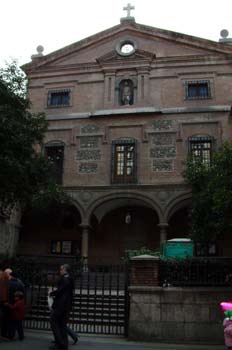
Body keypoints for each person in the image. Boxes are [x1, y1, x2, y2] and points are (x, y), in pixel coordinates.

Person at [49, 264, 74, 350]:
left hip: (61, 305)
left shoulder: (65, 279)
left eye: (61, 269)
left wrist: (52, 293)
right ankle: (64, 345)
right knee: (62, 325)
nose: (60, 271)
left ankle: (60, 344)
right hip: (66, 306)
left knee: (54, 322)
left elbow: (61, 291)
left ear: (65, 270)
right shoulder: (70, 278)